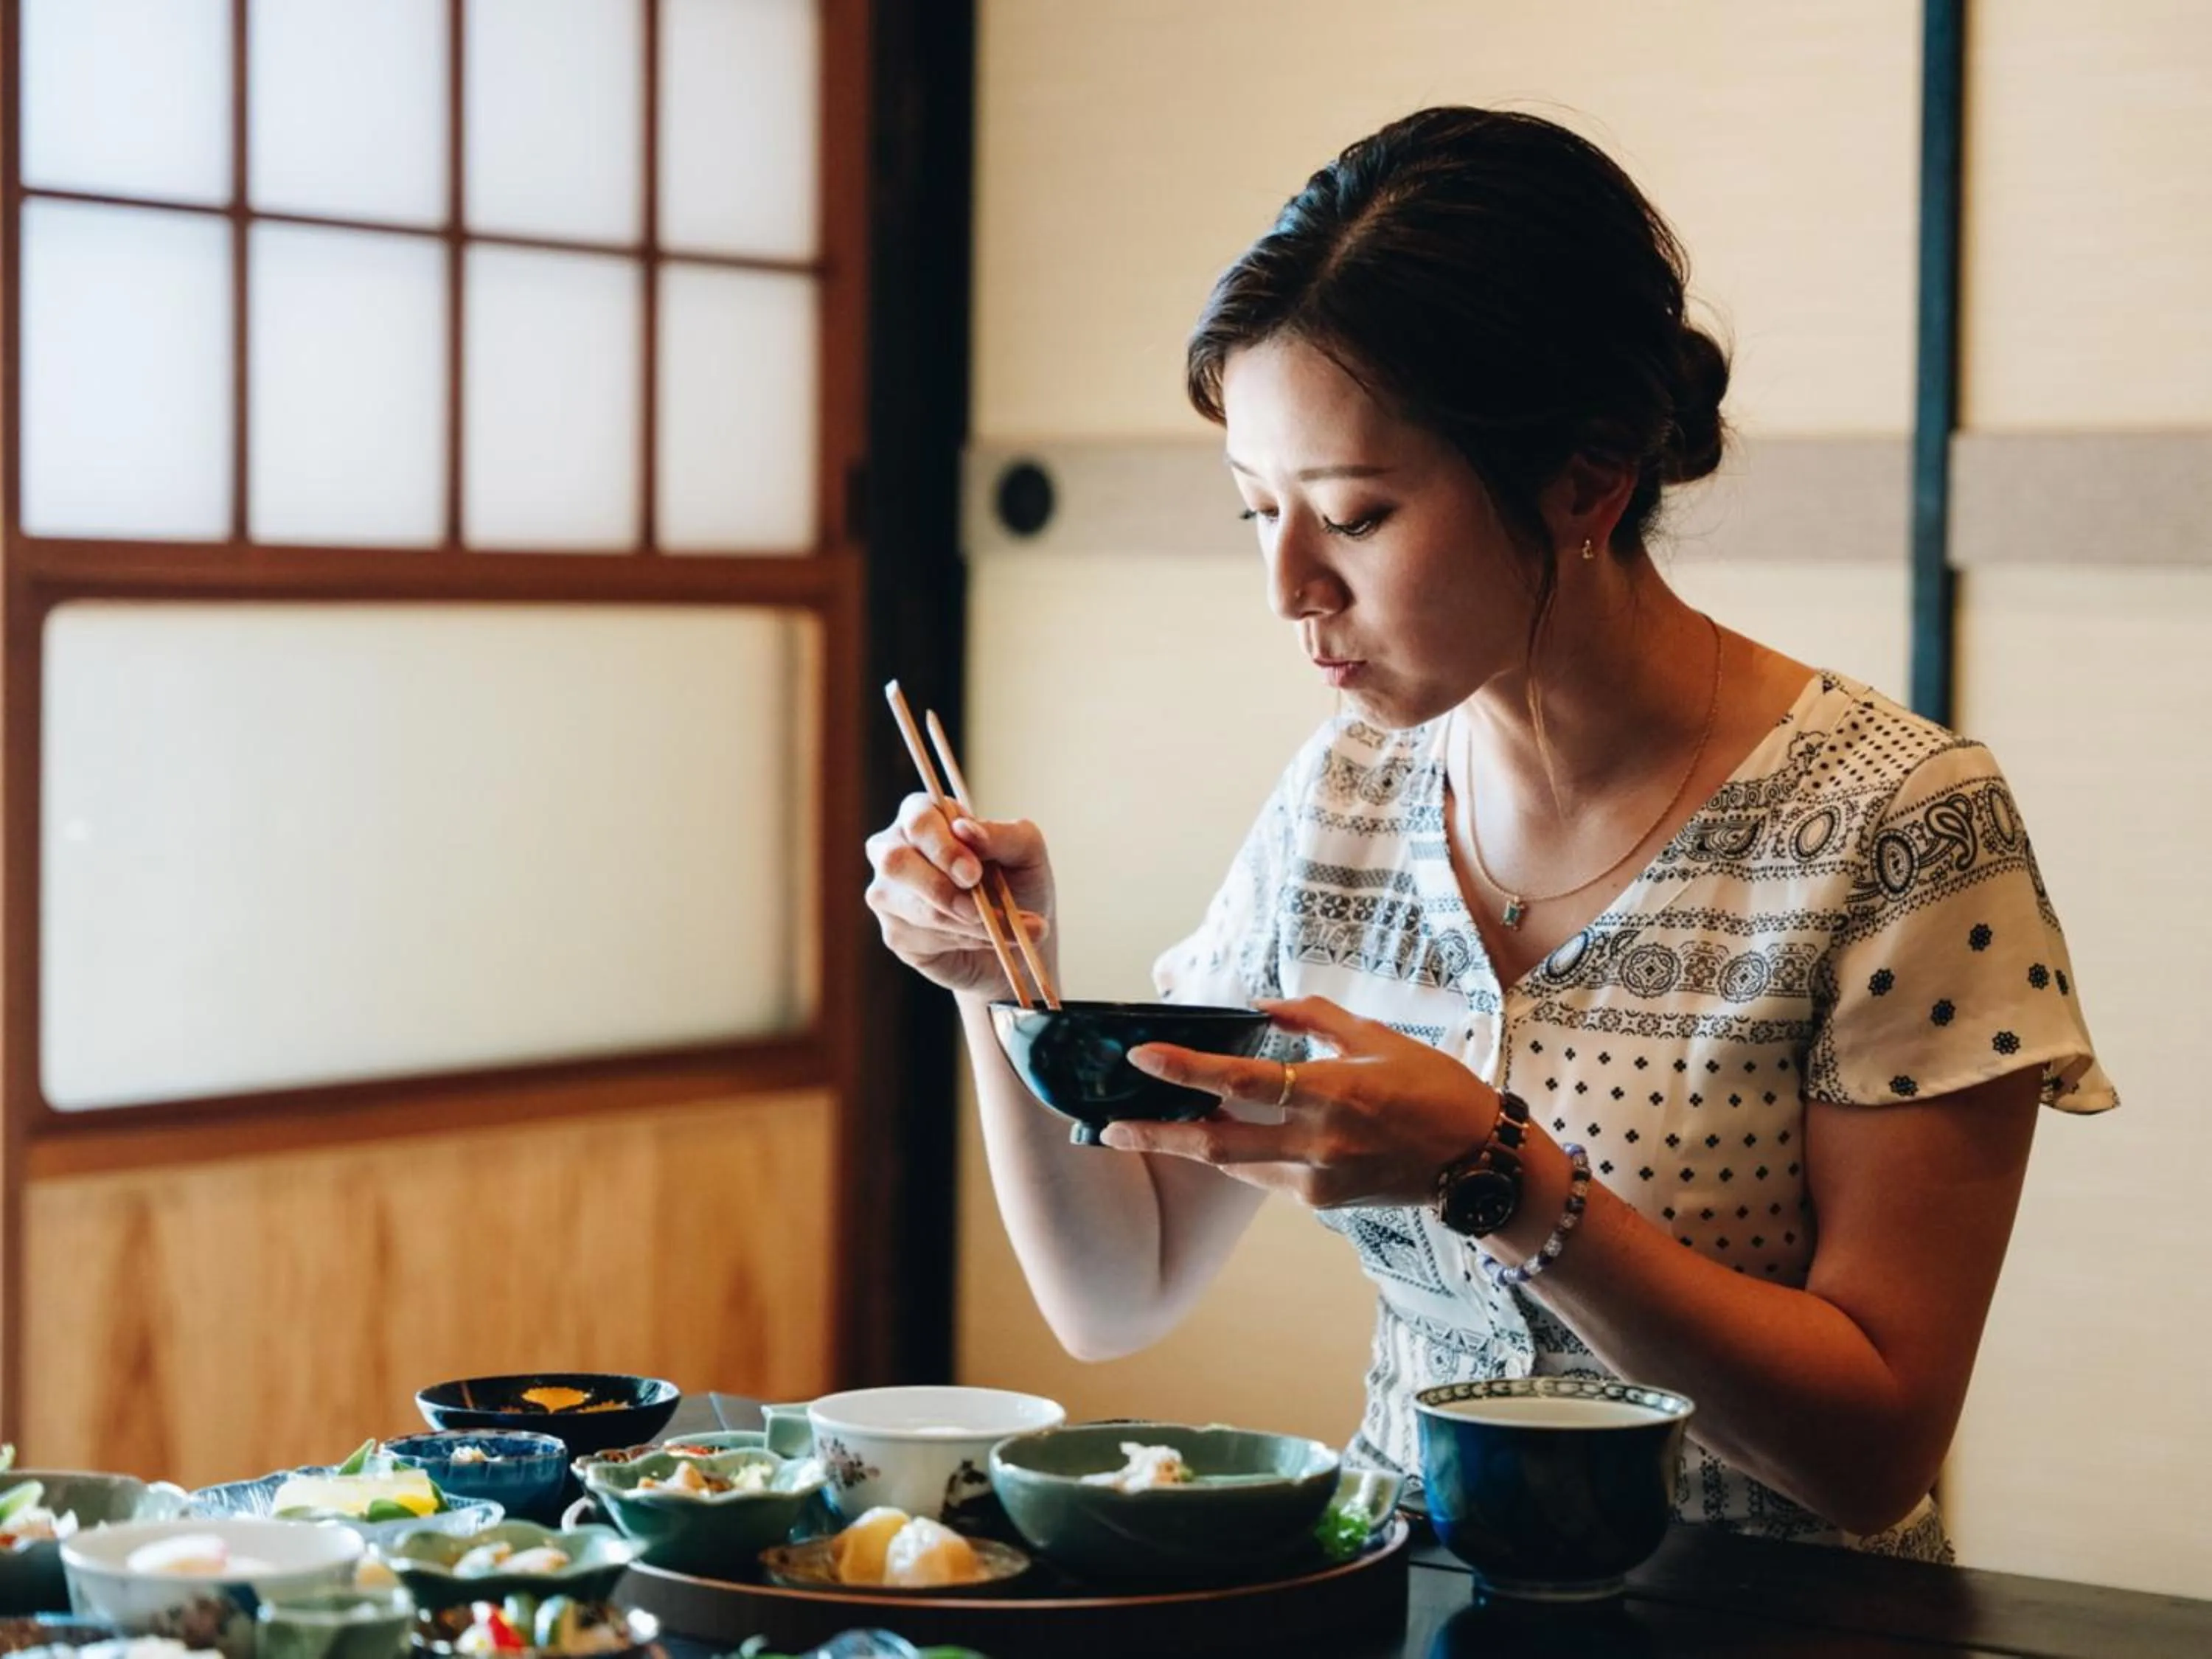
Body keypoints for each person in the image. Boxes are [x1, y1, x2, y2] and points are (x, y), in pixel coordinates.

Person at [863, 107, 2114, 1559]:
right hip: (1400, 1589)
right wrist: (998, 987)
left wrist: (1503, 1178)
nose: (1288, 586)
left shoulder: (1896, 825)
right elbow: (1117, 1287)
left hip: (1766, 1622)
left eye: (1356, 514)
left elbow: (1870, 1451)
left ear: (1589, 476)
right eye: (1256, 509)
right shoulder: (1345, 800)